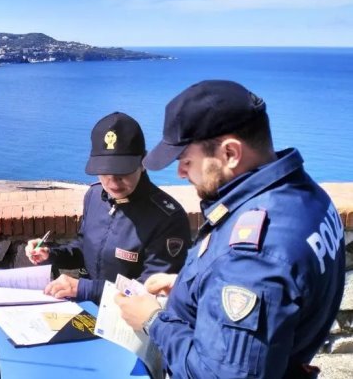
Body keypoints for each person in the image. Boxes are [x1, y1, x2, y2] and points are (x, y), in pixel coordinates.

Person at [115, 80, 346, 378]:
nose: (181, 172)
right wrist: (196, 287)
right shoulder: (306, 195)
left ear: (230, 154)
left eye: (186, 160)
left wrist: (153, 321)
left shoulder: (253, 256)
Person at [25, 112, 191, 304]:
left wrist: (86, 288)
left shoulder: (167, 219)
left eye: (122, 171)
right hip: (87, 308)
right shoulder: (95, 197)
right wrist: (51, 253)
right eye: (104, 171)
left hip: (130, 323)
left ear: (143, 162)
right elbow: (83, 247)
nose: (112, 182)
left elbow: (154, 292)